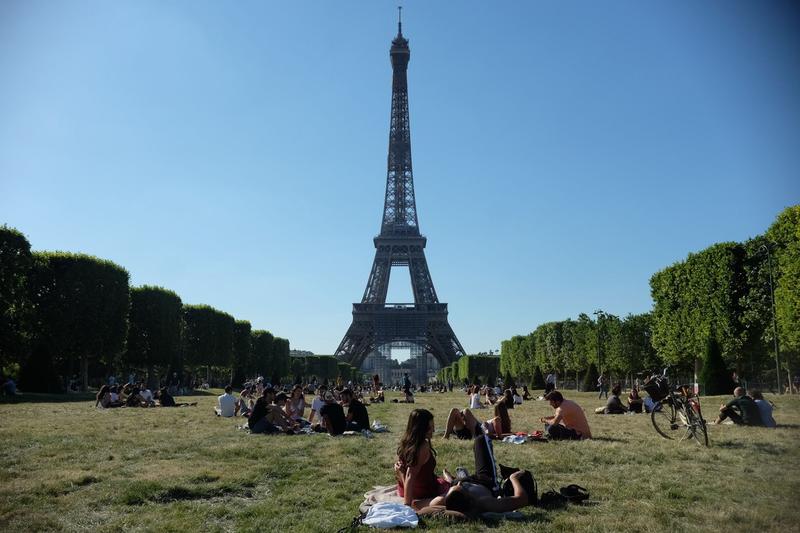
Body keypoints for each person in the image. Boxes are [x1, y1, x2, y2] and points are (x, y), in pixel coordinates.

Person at [394, 409, 451, 509]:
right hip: (423, 492)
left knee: (444, 482)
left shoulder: (406, 442)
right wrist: (407, 506)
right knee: (452, 488)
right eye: (430, 427)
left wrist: (401, 474)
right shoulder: (422, 446)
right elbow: (410, 475)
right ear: (420, 428)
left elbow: (407, 473)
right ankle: (448, 478)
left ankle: (447, 477)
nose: (433, 430)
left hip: (404, 488)